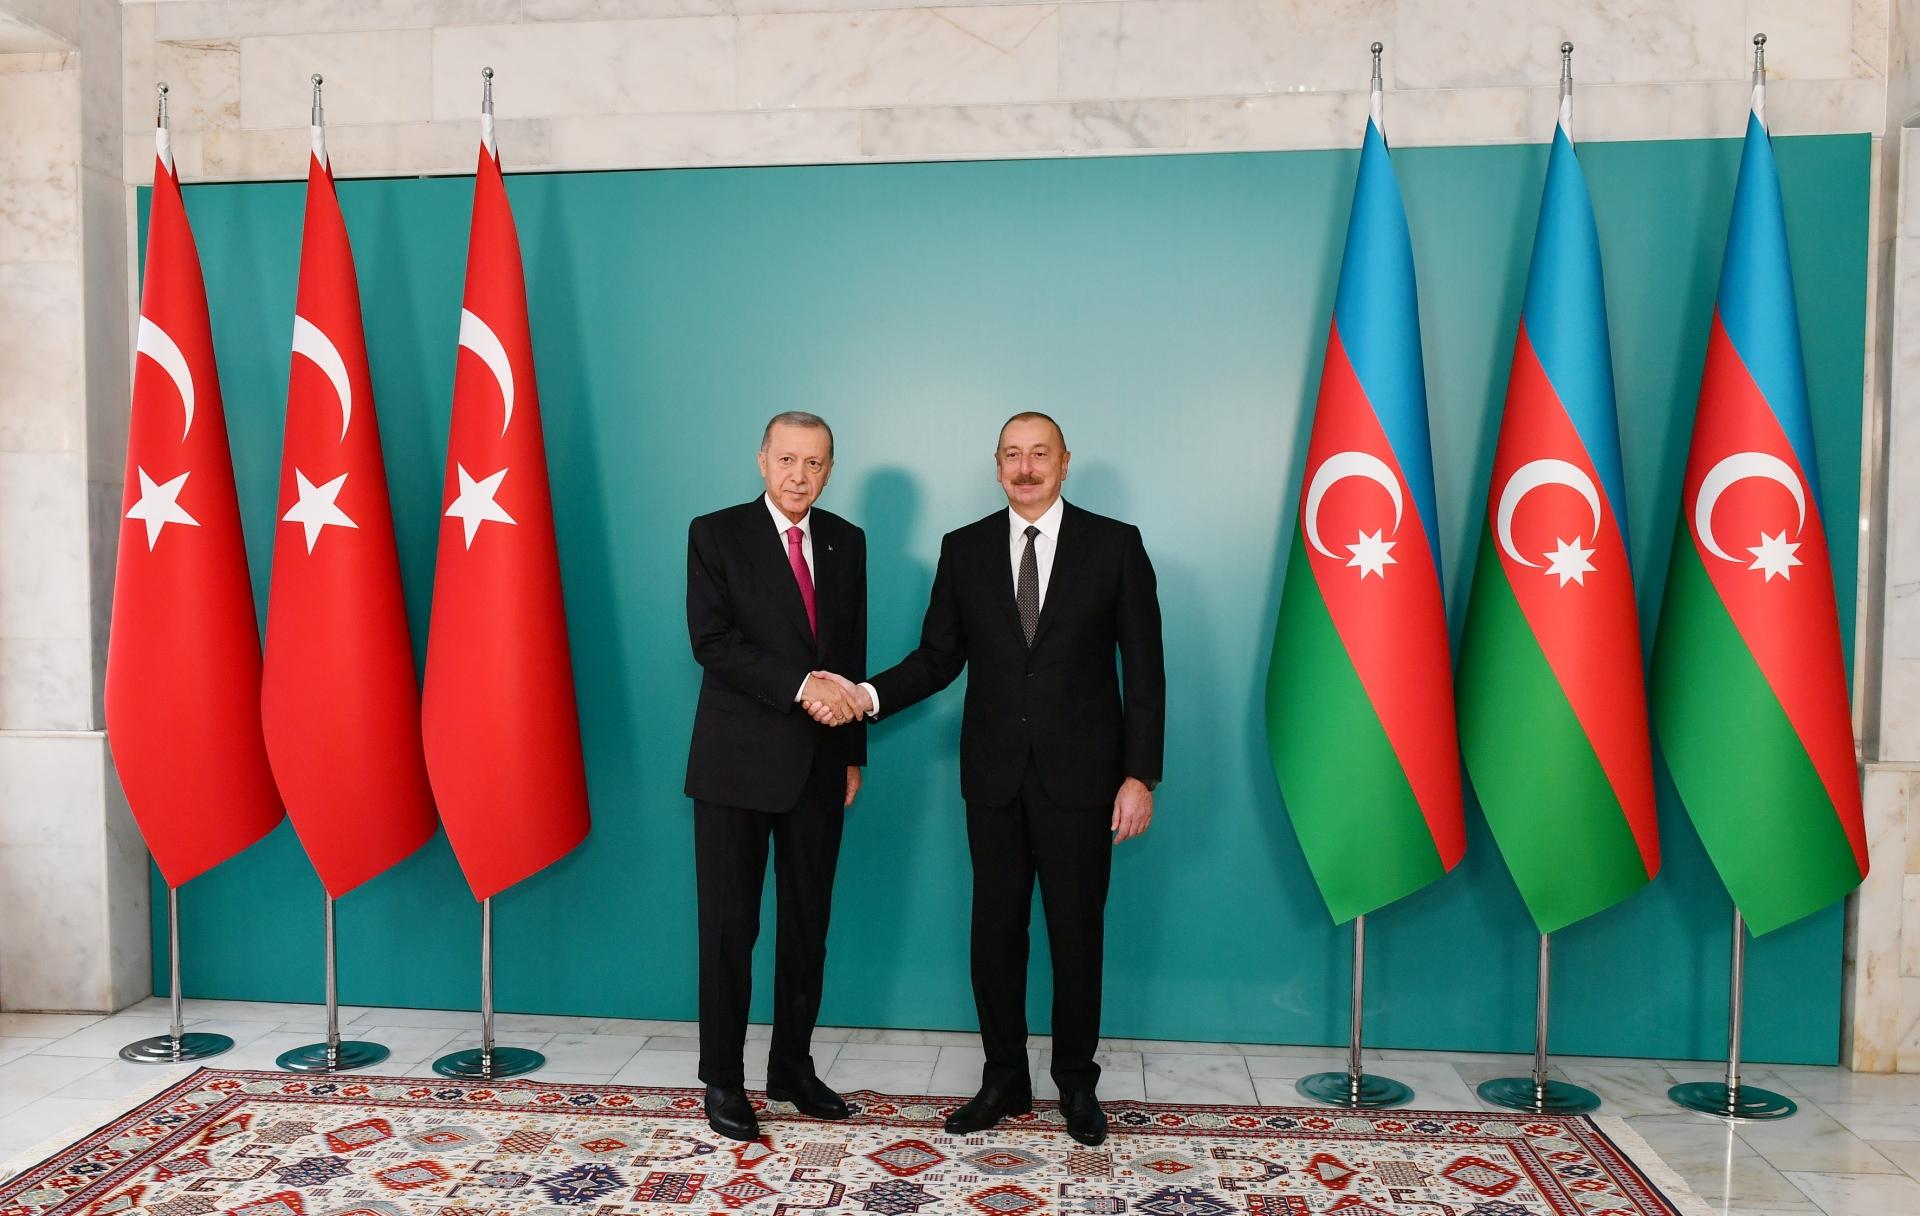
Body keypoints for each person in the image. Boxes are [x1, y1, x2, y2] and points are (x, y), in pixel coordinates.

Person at [812, 411, 1164, 1147]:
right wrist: (865, 697)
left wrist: (1140, 776)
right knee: (995, 934)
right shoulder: (965, 548)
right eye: (1012, 454)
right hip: (993, 779)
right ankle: (1003, 1078)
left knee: (1076, 935)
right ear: (997, 465)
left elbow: (1145, 671)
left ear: (1064, 462)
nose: (1025, 467)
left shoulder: (1115, 545)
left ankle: (1076, 1082)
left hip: (1084, 780)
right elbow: (937, 658)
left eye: (1039, 453)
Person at [685, 411, 868, 1141]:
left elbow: (850, 650)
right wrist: (800, 685)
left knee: (807, 927)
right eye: (787, 459)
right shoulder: (715, 534)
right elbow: (712, 641)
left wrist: (853, 751)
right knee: (730, 930)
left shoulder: (847, 541)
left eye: (814, 463)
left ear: (829, 470)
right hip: (734, 766)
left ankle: (792, 1067)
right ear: (762, 460)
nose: (799, 475)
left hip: (821, 765)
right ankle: (723, 1080)